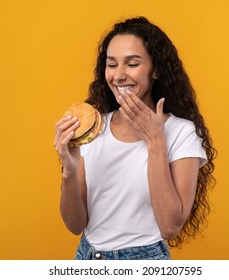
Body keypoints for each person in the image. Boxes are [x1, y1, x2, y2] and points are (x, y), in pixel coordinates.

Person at [54, 16, 216, 260]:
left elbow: (170, 227)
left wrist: (155, 142)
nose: (119, 76)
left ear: (156, 70)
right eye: (112, 64)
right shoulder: (94, 130)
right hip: (87, 257)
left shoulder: (182, 132)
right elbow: (75, 225)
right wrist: (69, 168)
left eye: (132, 64)